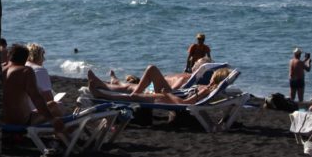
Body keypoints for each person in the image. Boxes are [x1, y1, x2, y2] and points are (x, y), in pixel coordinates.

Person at [87, 66, 232, 105]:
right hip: (168, 95)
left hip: (167, 98)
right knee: (133, 96)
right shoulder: (206, 89)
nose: (211, 75)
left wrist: (166, 93)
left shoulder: (206, 89)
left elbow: (184, 103)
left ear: (216, 77)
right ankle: (102, 92)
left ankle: (101, 94)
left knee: (133, 97)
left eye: (214, 74)